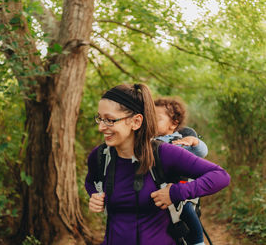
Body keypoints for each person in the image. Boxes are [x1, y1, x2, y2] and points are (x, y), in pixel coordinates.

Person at [84, 83, 230, 245]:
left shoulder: (164, 154)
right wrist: (94, 195)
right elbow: (91, 182)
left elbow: (220, 176)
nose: (101, 127)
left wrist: (176, 192)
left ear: (136, 122)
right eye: (100, 118)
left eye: (110, 120)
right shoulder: (100, 156)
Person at [155, 97, 208, 245]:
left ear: (174, 124)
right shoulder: (147, 140)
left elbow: (201, 152)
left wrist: (194, 141)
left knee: (188, 212)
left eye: (157, 119)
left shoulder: (180, 140)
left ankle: (197, 241)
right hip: (154, 189)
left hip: (178, 191)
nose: (151, 122)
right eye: (149, 118)